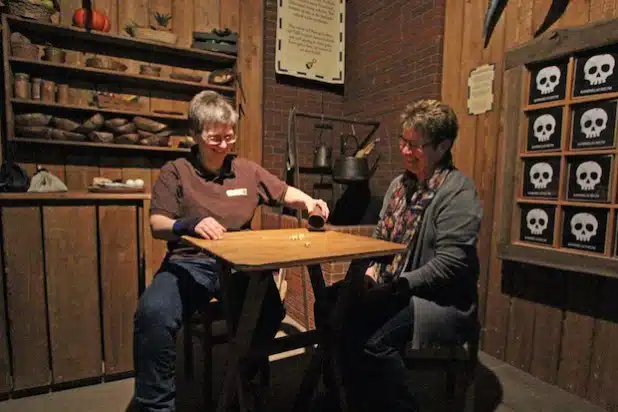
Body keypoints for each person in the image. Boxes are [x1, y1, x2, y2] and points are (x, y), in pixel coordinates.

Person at [132, 90, 329, 412]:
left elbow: (282, 191)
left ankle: (241, 377)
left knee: (268, 312)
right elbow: (157, 224)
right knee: (152, 314)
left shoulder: (245, 169)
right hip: (190, 262)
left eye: (229, 136)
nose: (224, 145)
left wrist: (309, 202)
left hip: (241, 264)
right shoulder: (176, 170)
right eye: (215, 138)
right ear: (194, 135)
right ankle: (156, 406)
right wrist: (188, 224)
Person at [315, 99, 482, 412]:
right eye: (403, 142)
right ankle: (344, 393)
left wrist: (395, 287)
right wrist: (369, 274)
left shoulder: (458, 192)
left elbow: (450, 265)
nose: (405, 151)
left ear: (443, 146)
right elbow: (380, 240)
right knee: (329, 305)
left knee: (373, 340)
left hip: (439, 299)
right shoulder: (398, 186)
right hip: (394, 285)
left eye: (415, 145)